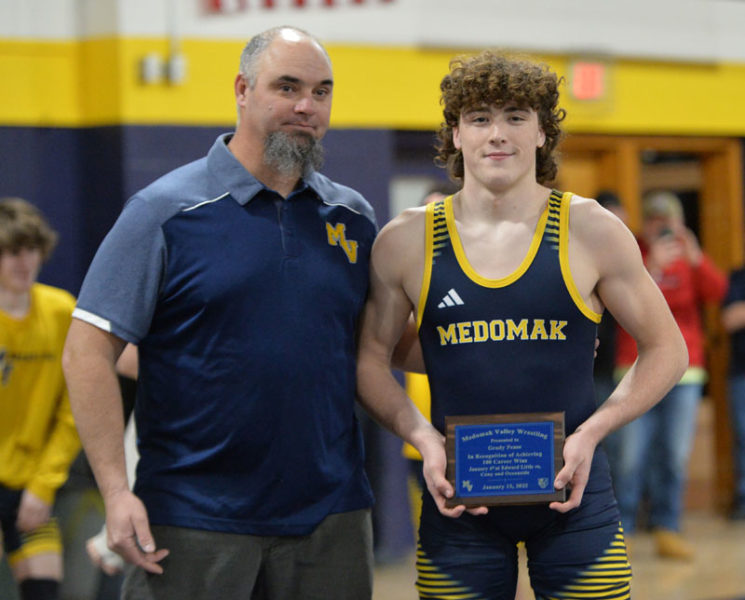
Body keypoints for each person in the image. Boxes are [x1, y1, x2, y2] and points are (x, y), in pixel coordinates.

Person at [356, 51, 688, 599]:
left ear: (542, 133)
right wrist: (421, 436)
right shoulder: (406, 240)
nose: (497, 134)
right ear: (456, 134)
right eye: (479, 118)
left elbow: (667, 350)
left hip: (574, 497)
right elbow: (371, 355)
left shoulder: (590, 229)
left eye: (515, 116)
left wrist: (593, 432)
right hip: (459, 502)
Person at [62, 26, 379, 600]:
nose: (306, 106)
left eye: (321, 91)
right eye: (287, 87)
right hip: (192, 521)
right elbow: (87, 348)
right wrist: (115, 490)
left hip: (331, 520)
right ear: (242, 89)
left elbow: (377, 348)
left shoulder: (351, 216)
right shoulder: (163, 212)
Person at [611, 190, 727, 560]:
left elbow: (718, 292)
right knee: (629, 455)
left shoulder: (688, 257)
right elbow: (623, 302)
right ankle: (620, 531)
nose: (663, 228)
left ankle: (667, 528)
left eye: (670, 221)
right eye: (656, 221)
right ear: (645, 224)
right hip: (635, 366)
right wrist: (654, 267)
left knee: (675, 455)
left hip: (686, 371)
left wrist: (695, 257)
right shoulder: (633, 255)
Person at [0, 197, 81, 600]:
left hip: (31, 480)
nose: (23, 262)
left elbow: (73, 411)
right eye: (12, 252)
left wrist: (43, 485)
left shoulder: (60, 310)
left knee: (44, 587)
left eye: (30, 250)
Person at [722, 266, 745, 520]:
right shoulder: (738, 277)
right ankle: (743, 498)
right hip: (741, 372)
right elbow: (730, 319)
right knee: (743, 437)